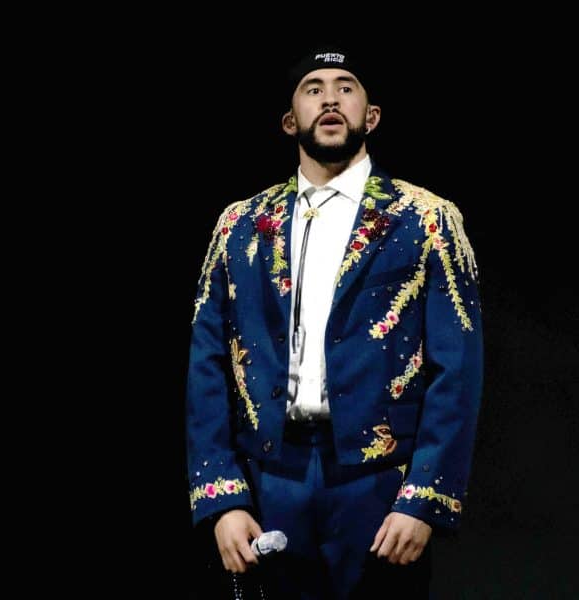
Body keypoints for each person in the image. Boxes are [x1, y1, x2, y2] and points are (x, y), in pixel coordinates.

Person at [186, 46, 484, 599]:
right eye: (313, 87)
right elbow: (207, 362)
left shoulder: (427, 219)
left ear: (370, 116)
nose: (329, 97)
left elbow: (457, 370)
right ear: (289, 120)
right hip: (270, 476)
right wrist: (222, 496)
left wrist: (422, 496)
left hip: (377, 481)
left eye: (346, 87)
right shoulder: (242, 224)